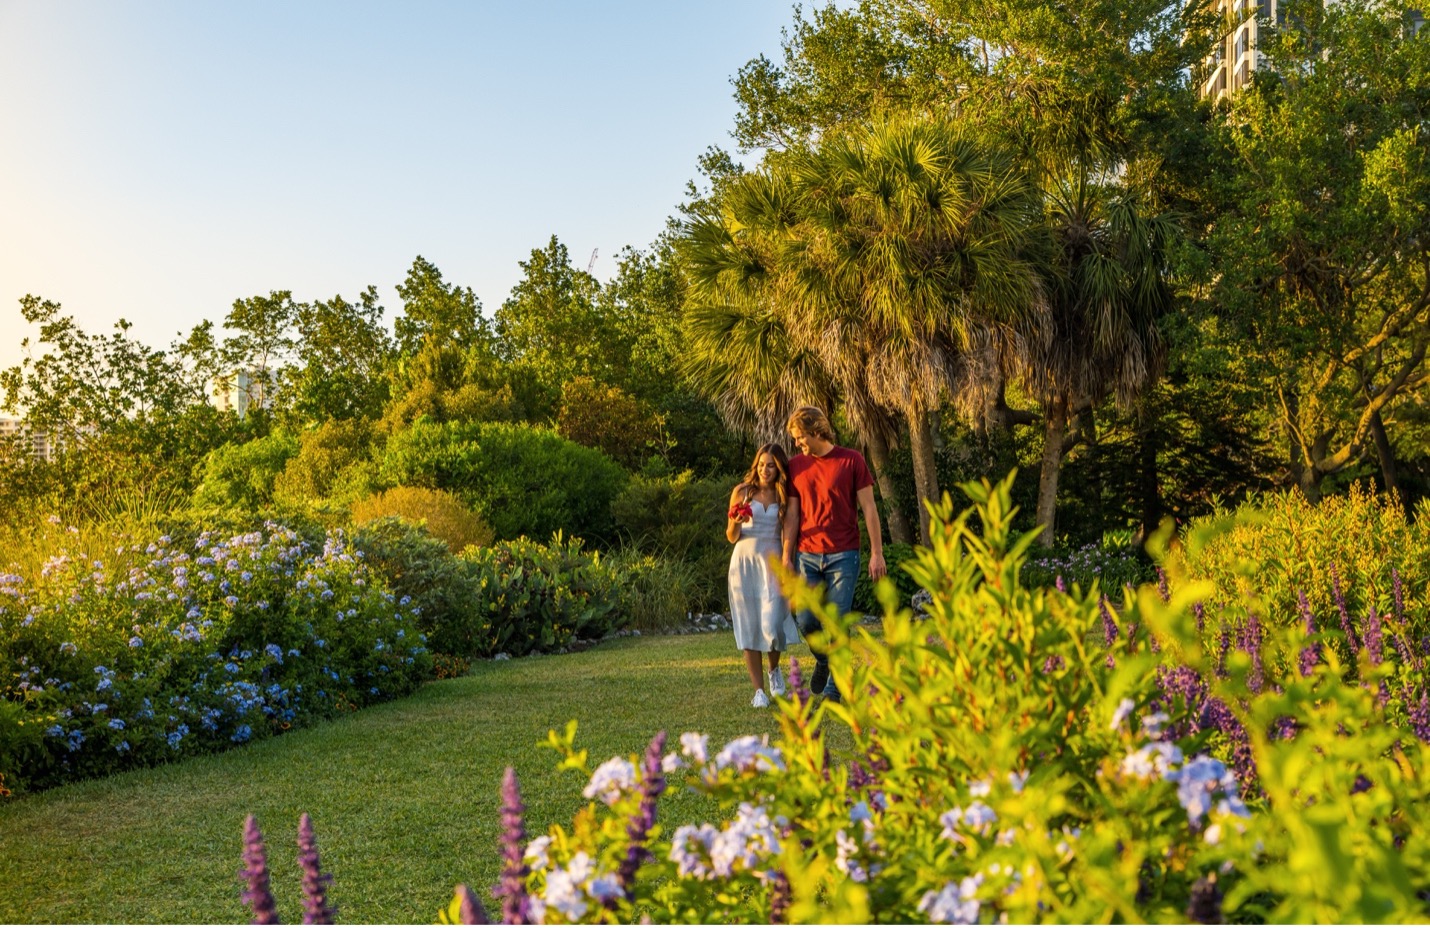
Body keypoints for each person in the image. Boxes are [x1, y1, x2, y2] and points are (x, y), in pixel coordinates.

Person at [782, 406, 885, 704]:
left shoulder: (851, 460)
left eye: (801, 437)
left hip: (844, 554)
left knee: (839, 622)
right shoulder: (795, 466)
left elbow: (869, 509)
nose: (798, 443)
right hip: (807, 556)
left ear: (816, 431)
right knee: (804, 619)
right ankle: (825, 660)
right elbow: (792, 514)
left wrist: (876, 553)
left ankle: (834, 690)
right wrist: (787, 556)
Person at [726, 442, 801, 708]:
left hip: (772, 563)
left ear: (778, 467)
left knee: (772, 624)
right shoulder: (742, 492)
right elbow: (731, 536)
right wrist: (735, 519)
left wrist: (786, 561)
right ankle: (759, 691)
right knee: (749, 627)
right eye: (761, 464)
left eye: (771, 465)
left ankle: (774, 670)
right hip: (744, 564)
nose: (765, 470)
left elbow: (788, 530)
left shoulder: (784, 495)